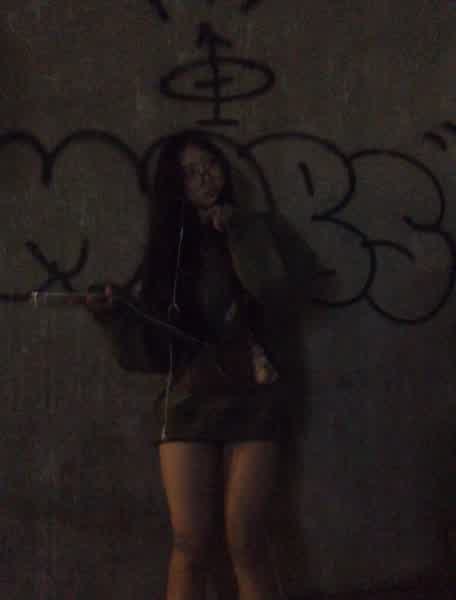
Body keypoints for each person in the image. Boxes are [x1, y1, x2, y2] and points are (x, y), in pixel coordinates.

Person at [86, 130, 313, 599]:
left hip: (254, 396)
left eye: (210, 165)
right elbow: (153, 352)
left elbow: (282, 299)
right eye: (189, 173)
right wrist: (114, 315)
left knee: (245, 540)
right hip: (189, 399)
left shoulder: (259, 228)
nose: (205, 177)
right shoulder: (169, 251)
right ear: (176, 186)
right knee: (190, 543)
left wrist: (240, 234)